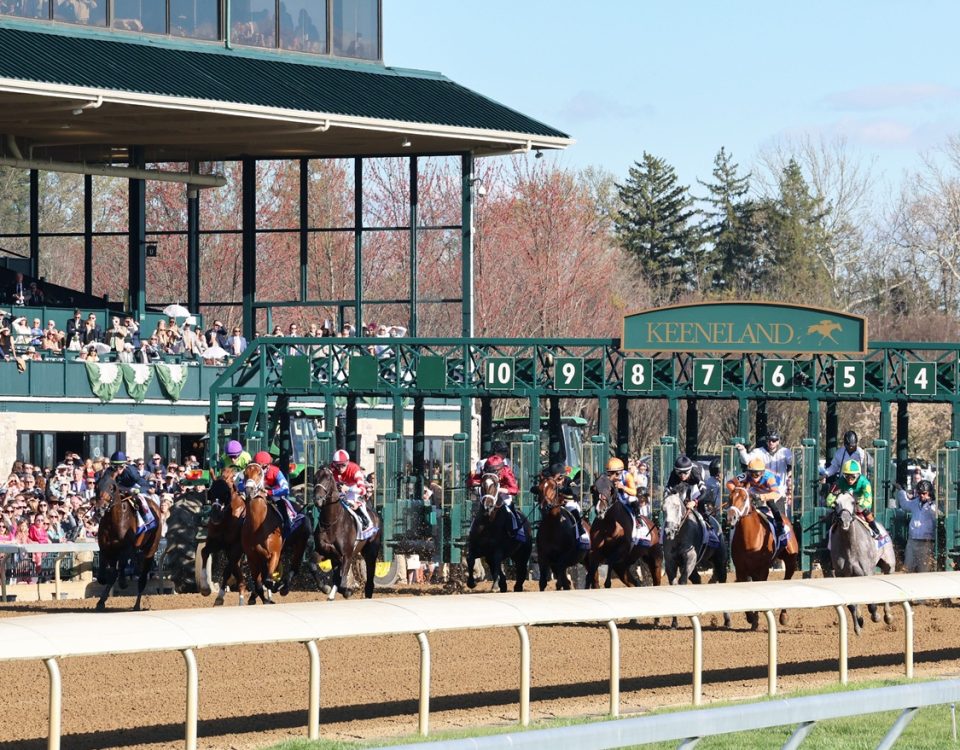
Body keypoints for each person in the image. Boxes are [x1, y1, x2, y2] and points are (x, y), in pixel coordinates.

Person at [726, 457, 787, 540]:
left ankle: (780, 527)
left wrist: (761, 497)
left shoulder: (769, 478)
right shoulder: (745, 475)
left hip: (773, 491)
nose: (753, 477)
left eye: (756, 474)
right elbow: (729, 483)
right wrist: (737, 491)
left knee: (771, 503)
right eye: (751, 473)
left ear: (762, 473)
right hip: (756, 489)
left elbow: (776, 493)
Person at [469, 453, 524, 540]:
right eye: (488, 470)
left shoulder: (506, 470)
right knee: (477, 513)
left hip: (503, 495)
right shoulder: (484, 468)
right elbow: (472, 481)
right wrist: (484, 484)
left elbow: (515, 489)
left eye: (494, 471)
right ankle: (472, 533)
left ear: (500, 469)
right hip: (488, 493)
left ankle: (518, 532)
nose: (490, 473)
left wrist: (500, 490)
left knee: (510, 509)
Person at [825, 459, 880, 537]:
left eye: (853, 477)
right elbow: (829, 499)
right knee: (833, 514)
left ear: (858, 475)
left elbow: (868, 500)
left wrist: (861, 506)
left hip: (859, 504)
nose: (849, 480)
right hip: (845, 505)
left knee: (867, 512)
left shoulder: (865, 483)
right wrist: (833, 504)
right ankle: (829, 533)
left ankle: (875, 530)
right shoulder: (839, 482)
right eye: (846, 476)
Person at [735, 431, 792, 502]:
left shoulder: (785, 452)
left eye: (774, 440)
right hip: (760, 491)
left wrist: (802, 452)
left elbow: (793, 462)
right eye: (769, 440)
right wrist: (742, 450)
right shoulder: (758, 451)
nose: (771, 442)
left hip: (778, 492)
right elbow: (746, 461)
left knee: (778, 512)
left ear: (778, 441)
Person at [543, 461, 588, 547]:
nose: (556, 481)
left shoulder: (568, 481)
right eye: (553, 478)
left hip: (568, 504)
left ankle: (580, 532)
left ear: (562, 477)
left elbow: (574, 490)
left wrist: (561, 489)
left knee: (573, 510)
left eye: (558, 479)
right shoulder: (551, 483)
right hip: (555, 505)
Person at [251, 451, 294, 537]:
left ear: (268, 465)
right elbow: (240, 484)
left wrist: (270, 492)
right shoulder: (251, 470)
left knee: (281, 504)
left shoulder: (276, 471)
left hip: (273, 495)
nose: (261, 470)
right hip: (255, 495)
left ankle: (287, 524)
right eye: (259, 466)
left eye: (264, 467)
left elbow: (285, 489)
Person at [110, 451, 156, 532]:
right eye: (115, 467)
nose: (117, 470)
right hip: (117, 487)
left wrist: (138, 490)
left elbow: (145, 485)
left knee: (139, 497)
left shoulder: (132, 472)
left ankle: (147, 520)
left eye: (120, 467)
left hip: (132, 486)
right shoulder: (109, 471)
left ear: (125, 465)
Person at [898, 479, 937, 572]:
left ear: (929, 493)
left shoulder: (934, 505)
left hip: (926, 543)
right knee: (907, 568)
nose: (921, 495)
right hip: (912, 542)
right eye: (919, 493)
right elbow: (905, 504)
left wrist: (932, 503)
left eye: (924, 493)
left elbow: (940, 513)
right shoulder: (915, 502)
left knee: (924, 571)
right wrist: (901, 491)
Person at [330, 449, 373, 530]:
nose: (340, 468)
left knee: (353, 505)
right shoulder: (332, 468)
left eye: (343, 465)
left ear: (347, 463)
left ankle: (366, 522)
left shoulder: (355, 470)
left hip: (355, 488)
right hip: (341, 489)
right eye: (337, 465)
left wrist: (349, 489)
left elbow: (363, 490)